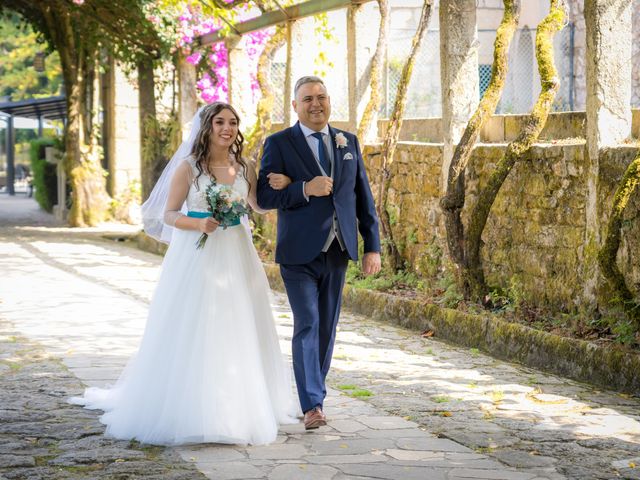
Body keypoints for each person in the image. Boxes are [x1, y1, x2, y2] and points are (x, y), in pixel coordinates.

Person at [70, 102, 299, 446]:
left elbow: (256, 205)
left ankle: (240, 406)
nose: (227, 128)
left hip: (237, 252)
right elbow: (168, 214)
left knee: (239, 322)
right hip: (197, 254)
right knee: (199, 324)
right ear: (206, 126)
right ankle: (194, 407)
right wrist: (198, 223)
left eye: (233, 122)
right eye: (220, 122)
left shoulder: (245, 166)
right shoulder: (189, 168)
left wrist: (287, 184)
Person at [257, 76, 381, 430]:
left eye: (322, 97)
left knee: (327, 327)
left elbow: (362, 199)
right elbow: (265, 199)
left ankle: (315, 395)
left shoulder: (348, 141)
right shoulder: (279, 144)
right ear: (294, 106)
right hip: (298, 253)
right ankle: (313, 404)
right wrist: (303, 188)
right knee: (308, 323)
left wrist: (372, 246)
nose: (316, 104)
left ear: (329, 101)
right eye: (308, 98)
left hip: (338, 250)